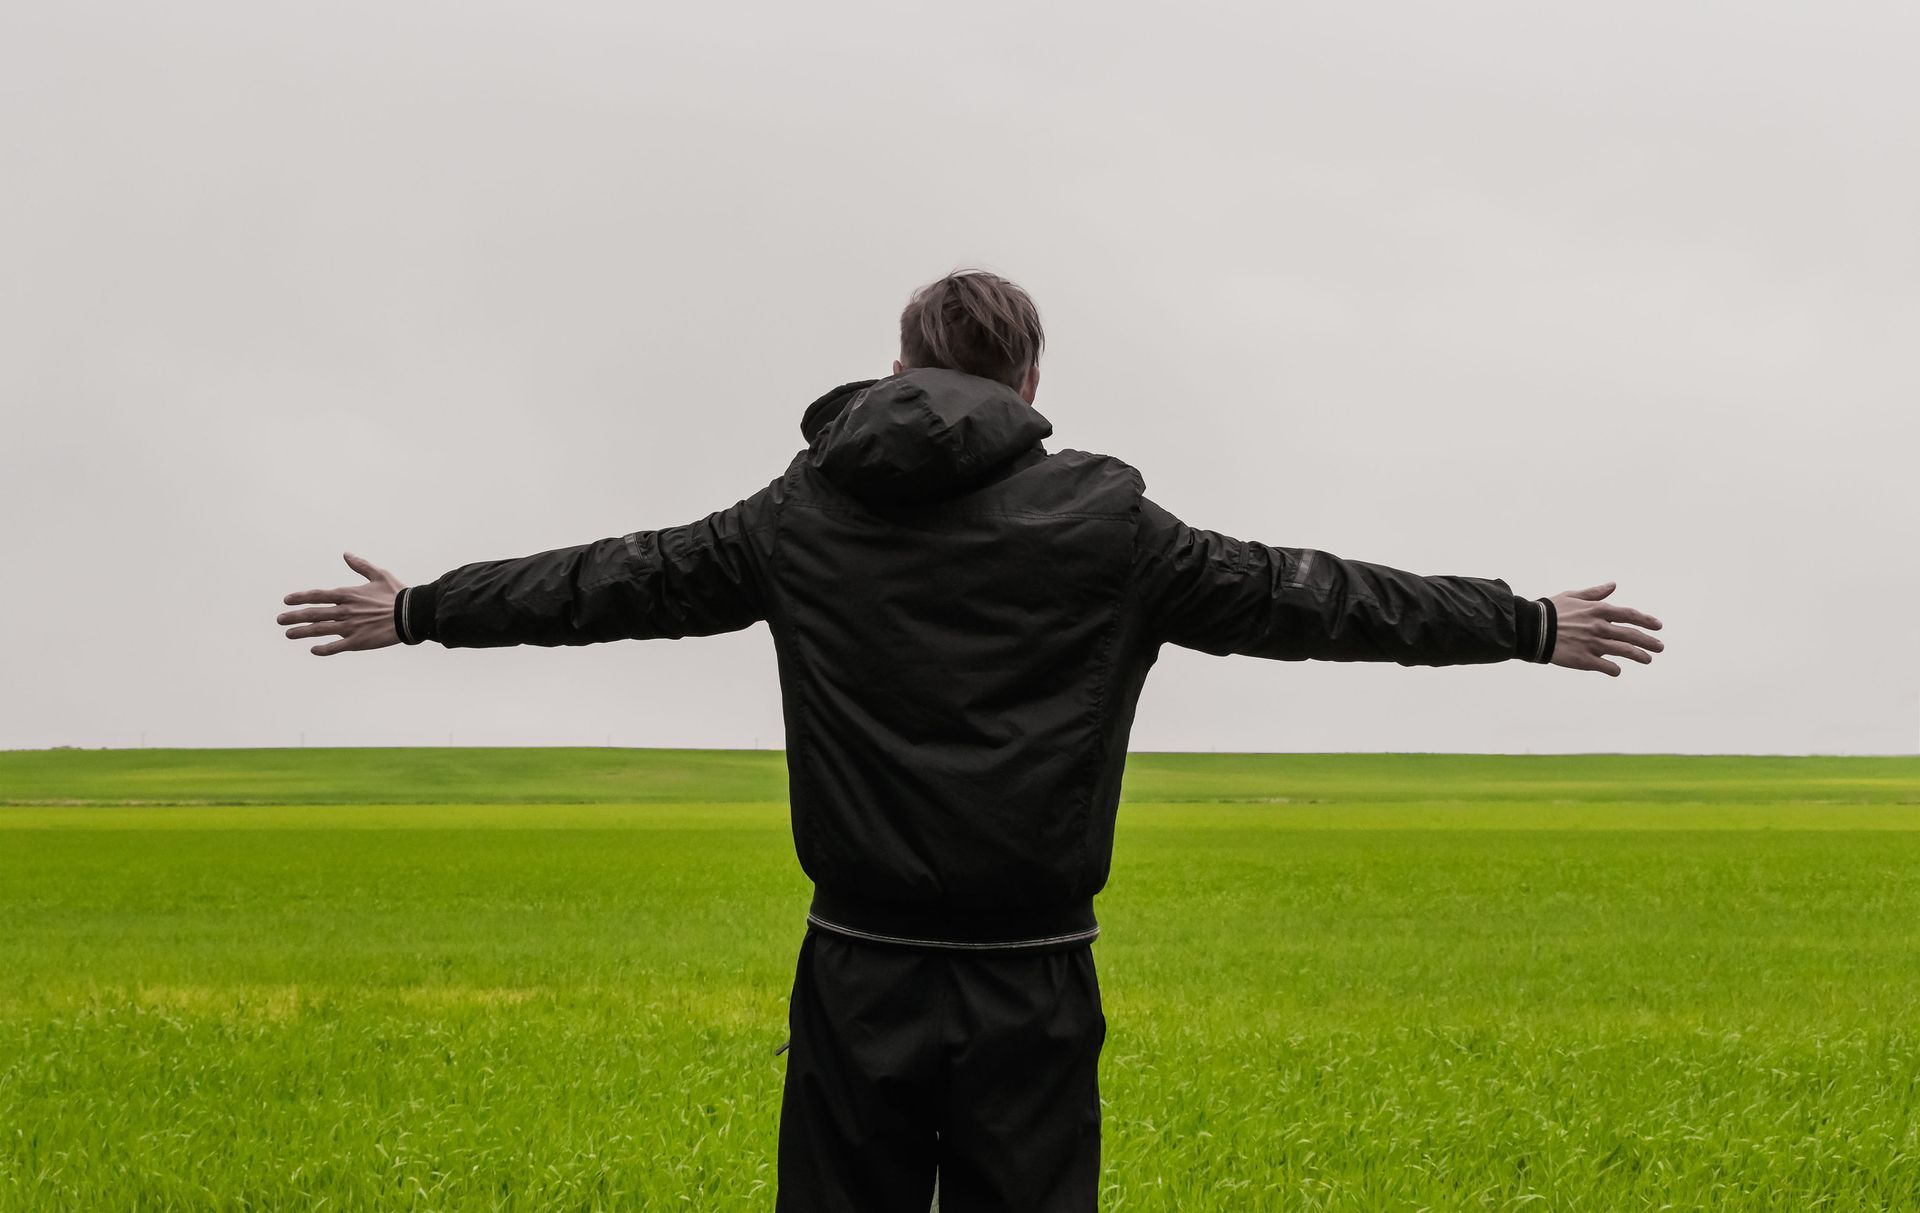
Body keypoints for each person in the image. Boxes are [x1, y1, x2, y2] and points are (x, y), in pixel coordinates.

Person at [277, 269, 1663, 1212]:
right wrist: (1525, 622)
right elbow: (1320, 597)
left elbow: (611, 579)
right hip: (1032, 981)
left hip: (859, 968)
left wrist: (421, 609)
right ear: (1032, 376)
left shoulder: (798, 516)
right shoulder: (1112, 528)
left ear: (898, 365)